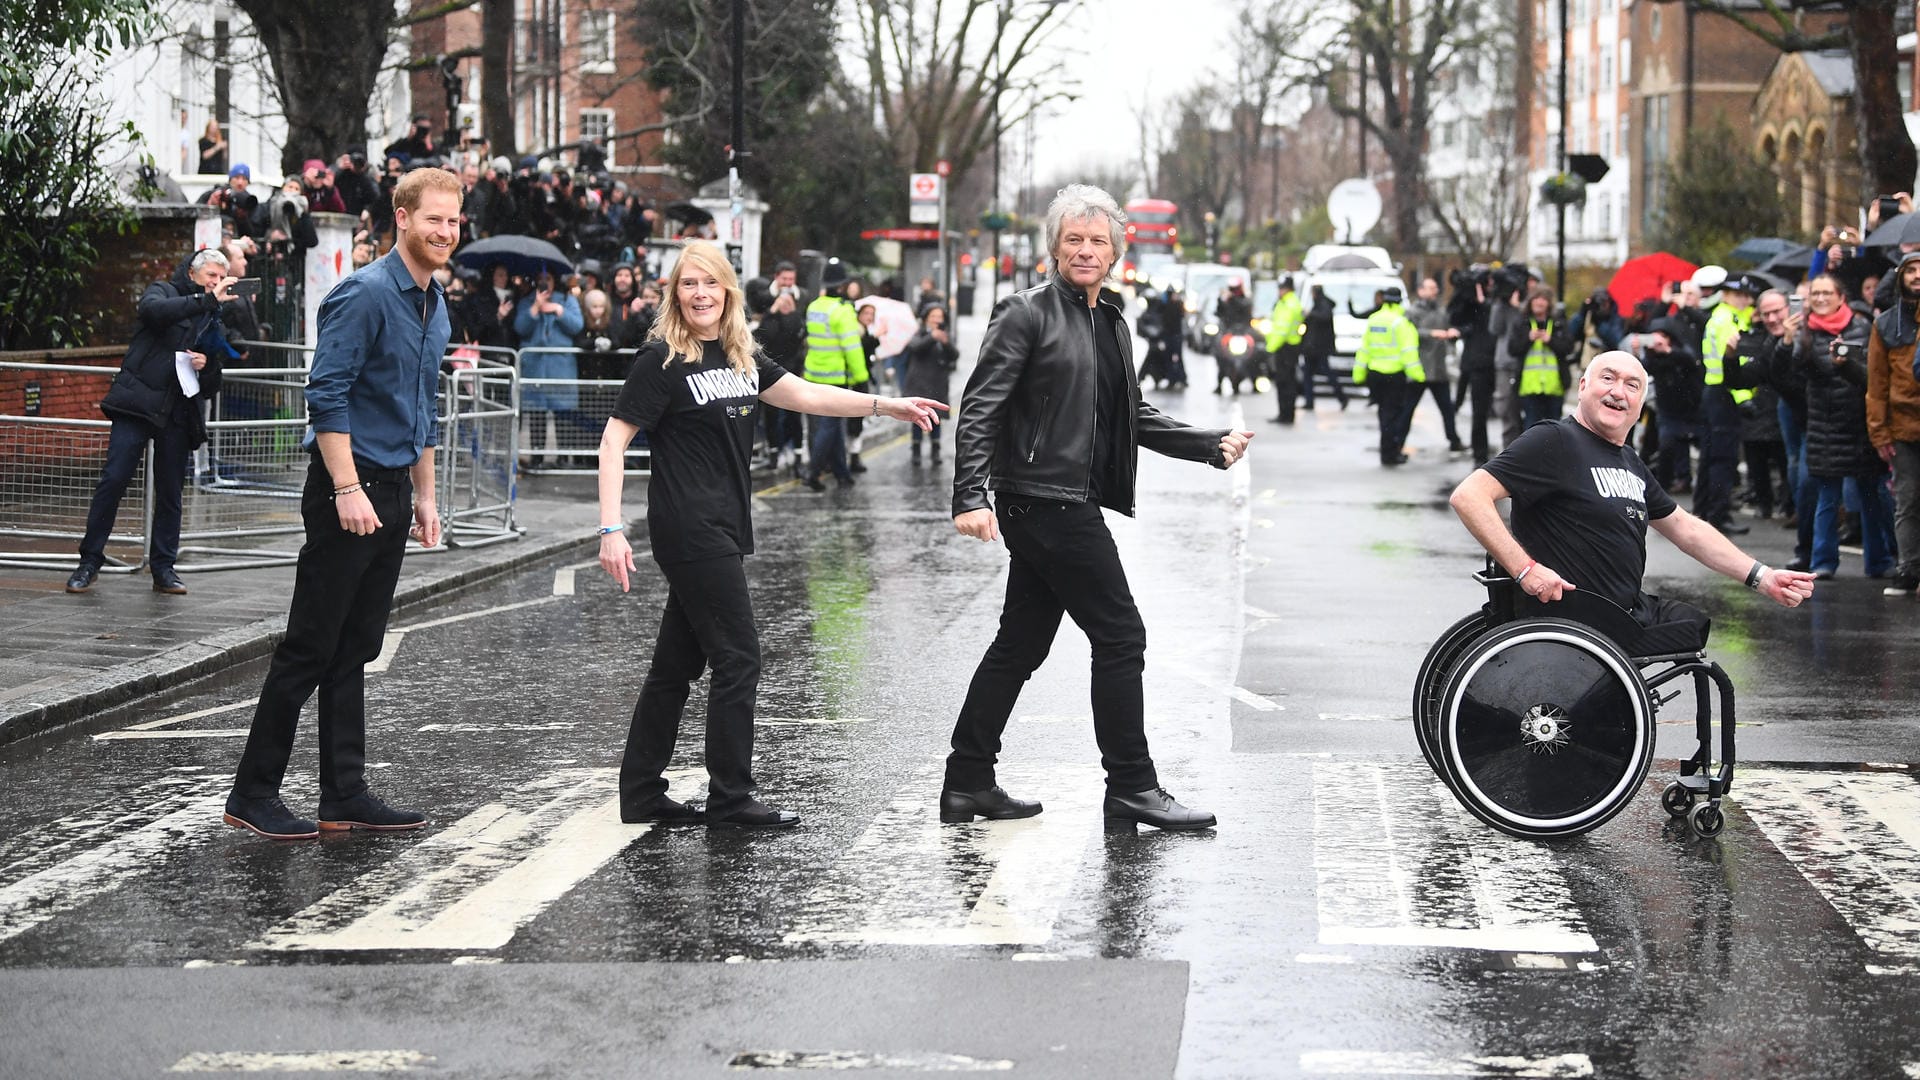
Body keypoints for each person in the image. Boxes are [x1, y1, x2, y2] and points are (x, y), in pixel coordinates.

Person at [596, 242, 946, 829]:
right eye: (689, 285)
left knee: (675, 666)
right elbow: (614, 441)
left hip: (724, 524)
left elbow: (808, 394)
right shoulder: (662, 359)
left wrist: (886, 404)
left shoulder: (740, 356)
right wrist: (611, 527)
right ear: (675, 295)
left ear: (729, 290)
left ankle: (641, 791)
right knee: (738, 658)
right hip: (690, 525)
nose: (701, 294)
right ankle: (731, 795)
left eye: (711, 283)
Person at [946, 184, 1252, 833]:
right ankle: (1132, 785)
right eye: (1074, 239)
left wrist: (1207, 446)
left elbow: (1127, 414)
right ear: (1054, 246)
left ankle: (968, 779)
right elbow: (981, 407)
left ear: (1116, 251)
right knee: (1121, 636)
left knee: (1019, 645)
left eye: (1098, 241)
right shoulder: (1023, 313)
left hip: (1065, 500)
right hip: (1042, 501)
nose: (1086, 250)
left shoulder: (1108, 320)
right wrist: (970, 494)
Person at [225, 167, 462, 840]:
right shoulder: (363, 295)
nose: (445, 231)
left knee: (355, 648)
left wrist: (425, 498)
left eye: (454, 221)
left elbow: (421, 410)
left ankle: (344, 793)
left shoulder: (432, 302)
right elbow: (325, 394)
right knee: (309, 646)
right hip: (347, 485)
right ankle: (253, 792)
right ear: (403, 217)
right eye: (434, 219)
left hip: (391, 487)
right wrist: (347, 488)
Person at [1450, 351, 1814, 658]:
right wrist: (1526, 570)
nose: (1618, 392)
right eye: (1608, 379)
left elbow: (1685, 528)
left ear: (1641, 404)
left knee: (1691, 623)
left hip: (1619, 613)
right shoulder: (1554, 440)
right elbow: (1469, 496)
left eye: (1631, 385)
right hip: (1574, 619)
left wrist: (1762, 577)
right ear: (1582, 387)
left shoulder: (1628, 460)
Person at [65, 249, 236, 596]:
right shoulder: (165, 291)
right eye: (212, 276)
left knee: (171, 491)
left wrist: (208, 365)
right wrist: (203, 300)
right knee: (114, 479)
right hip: (139, 403)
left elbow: (214, 382)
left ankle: (163, 568)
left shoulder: (213, 317)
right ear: (193, 273)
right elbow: (153, 313)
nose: (217, 284)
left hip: (178, 411)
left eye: (221, 278)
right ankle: (89, 562)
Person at [1799, 273, 1894, 578]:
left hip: (1858, 424)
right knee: (1827, 498)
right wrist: (1788, 341)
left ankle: (1878, 561)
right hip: (1823, 426)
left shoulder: (1863, 327)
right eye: (1816, 293)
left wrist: (1847, 364)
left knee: (1870, 497)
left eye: (1827, 292)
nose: (1821, 298)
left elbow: (1873, 376)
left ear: (1841, 297)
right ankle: (1823, 562)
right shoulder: (1803, 331)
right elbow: (1792, 370)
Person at [1867, 252, 1920, 594]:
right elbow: (1877, 385)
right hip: (1903, 428)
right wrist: (1879, 432)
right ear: (1900, 276)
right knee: (1909, 499)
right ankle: (1909, 568)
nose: (1917, 276)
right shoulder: (1886, 324)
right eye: (1911, 270)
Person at [1696, 275, 1759, 535]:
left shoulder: (1725, 316)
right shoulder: (1728, 320)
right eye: (1738, 295)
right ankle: (1718, 515)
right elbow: (1732, 364)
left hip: (1714, 391)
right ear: (1725, 295)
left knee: (1710, 455)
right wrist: (1745, 397)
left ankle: (1704, 510)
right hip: (1726, 393)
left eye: (1746, 295)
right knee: (1723, 458)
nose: (1744, 299)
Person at [801, 258, 867, 491]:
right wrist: (861, 377)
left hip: (813, 375)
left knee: (833, 426)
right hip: (835, 378)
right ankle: (813, 472)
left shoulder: (814, 307)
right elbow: (852, 348)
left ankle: (842, 473)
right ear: (841, 285)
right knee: (829, 427)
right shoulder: (842, 311)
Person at [515, 270, 586, 463]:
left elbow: (577, 325)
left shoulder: (566, 300)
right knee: (536, 413)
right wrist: (535, 308)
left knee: (562, 412)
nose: (544, 283)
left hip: (560, 366)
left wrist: (558, 310)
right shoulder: (527, 301)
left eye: (548, 279)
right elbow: (520, 327)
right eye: (540, 279)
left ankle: (563, 457)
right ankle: (537, 457)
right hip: (535, 366)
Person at [1352, 285, 1424, 465]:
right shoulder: (1401, 322)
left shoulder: (1374, 319)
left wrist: (1359, 374)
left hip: (1375, 374)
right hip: (1394, 376)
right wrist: (1418, 376)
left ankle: (1387, 451)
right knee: (1393, 415)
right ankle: (1390, 454)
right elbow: (1409, 352)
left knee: (1383, 414)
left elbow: (1364, 349)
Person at [1408, 275, 1466, 452]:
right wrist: (1431, 333)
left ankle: (1454, 440)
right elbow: (1409, 334)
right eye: (1430, 288)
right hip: (1420, 368)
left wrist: (1453, 334)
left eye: (1435, 288)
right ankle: (1397, 441)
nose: (1434, 291)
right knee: (1407, 409)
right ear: (1420, 291)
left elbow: (1449, 332)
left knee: (1447, 410)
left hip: (1439, 369)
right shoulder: (1412, 312)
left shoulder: (1442, 312)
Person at [1450, 271, 1499, 464]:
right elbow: (1456, 318)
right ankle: (1480, 453)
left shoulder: (1498, 302)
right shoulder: (1470, 306)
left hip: (1500, 362)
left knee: (1506, 412)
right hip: (1478, 363)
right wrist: (1467, 296)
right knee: (1479, 412)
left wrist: (1485, 302)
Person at [902, 303, 959, 465]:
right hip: (918, 383)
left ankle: (935, 450)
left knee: (936, 418)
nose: (936, 319)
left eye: (939, 316)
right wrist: (931, 337)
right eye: (933, 316)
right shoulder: (919, 334)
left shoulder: (946, 335)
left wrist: (946, 342)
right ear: (926, 318)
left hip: (937, 384)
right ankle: (916, 450)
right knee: (917, 417)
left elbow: (954, 355)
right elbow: (915, 348)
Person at [1265, 276, 1305, 425]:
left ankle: (1285, 415)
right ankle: (1285, 414)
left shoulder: (1288, 304)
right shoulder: (1289, 302)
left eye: (1281, 288)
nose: (1279, 291)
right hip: (1288, 348)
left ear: (1287, 289)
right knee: (1286, 382)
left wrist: (1271, 347)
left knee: (1285, 383)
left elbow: (1282, 330)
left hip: (1285, 348)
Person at [1300, 285, 1345, 412]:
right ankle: (1310, 401)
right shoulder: (1319, 304)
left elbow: (1324, 317)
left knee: (1326, 373)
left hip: (1318, 348)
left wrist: (1310, 314)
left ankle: (1341, 397)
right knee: (1309, 374)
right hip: (1313, 348)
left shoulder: (1323, 305)